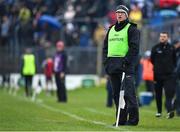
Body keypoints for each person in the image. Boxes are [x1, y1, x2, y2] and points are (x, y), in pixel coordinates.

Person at [103, 5, 140, 126]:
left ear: (127, 15)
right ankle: (121, 119)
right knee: (116, 95)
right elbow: (105, 48)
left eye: (122, 13)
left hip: (126, 66)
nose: (119, 14)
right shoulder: (111, 29)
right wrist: (106, 62)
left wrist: (127, 60)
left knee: (129, 93)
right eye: (117, 12)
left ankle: (133, 120)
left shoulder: (132, 29)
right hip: (112, 66)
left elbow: (134, 48)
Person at [151, 32, 177, 119]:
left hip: (169, 75)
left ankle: (169, 111)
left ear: (167, 38)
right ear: (159, 37)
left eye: (164, 37)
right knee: (158, 94)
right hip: (157, 75)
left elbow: (175, 60)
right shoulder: (155, 48)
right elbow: (152, 60)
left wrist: (170, 69)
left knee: (169, 93)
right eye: (161, 36)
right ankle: (159, 111)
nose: (162, 38)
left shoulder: (172, 48)